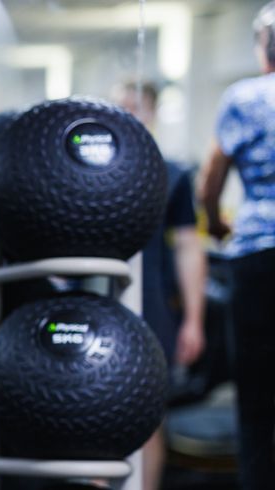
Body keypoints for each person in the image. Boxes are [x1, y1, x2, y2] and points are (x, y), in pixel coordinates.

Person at [113, 81, 207, 490]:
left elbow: (190, 248)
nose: (129, 115)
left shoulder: (173, 175)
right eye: (121, 107)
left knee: (150, 418)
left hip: (154, 309)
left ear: (151, 113)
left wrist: (194, 321)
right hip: (102, 303)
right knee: (92, 412)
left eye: (136, 107)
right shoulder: (89, 177)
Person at [198, 3, 275, 489]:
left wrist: (216, 225)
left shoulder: (245, 97)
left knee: (257, 397)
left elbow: (211, 180)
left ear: (263, 46)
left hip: (258, 257)